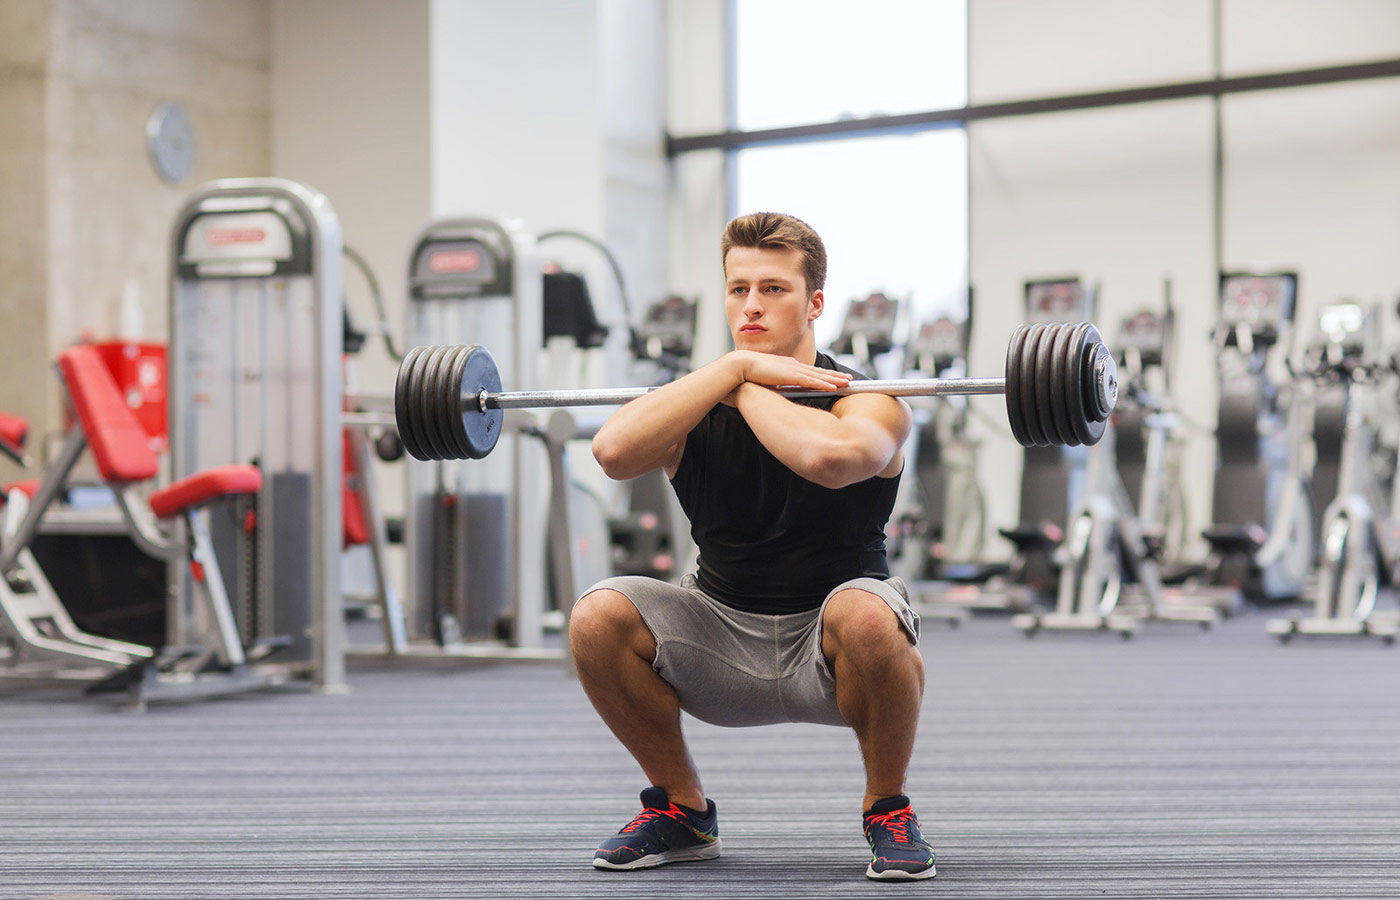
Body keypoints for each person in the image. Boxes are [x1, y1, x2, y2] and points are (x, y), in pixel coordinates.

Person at [570, 211, 933, 881]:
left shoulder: (871, 399)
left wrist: (741, 382)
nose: (752, 305)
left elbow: (827, 459)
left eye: (774, 288)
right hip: (719, 634)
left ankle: (888, 808)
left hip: (833, 647)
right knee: (597, 615)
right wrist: (737, 370)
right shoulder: (700, 398)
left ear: (815, 302)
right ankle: (682, 812)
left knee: (870, 613)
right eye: (739, 289)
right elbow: (612, 451)